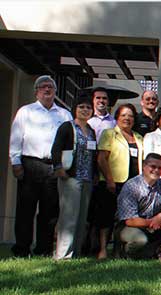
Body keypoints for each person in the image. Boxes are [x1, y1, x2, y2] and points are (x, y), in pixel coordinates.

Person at [9, 75, 72, 257]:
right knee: (25, 209)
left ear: (55, 91)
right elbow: (15, 139)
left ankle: (43, 249)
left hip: (53, 167)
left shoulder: (64, 114)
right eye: (43, 87)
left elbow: (68, 143)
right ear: (36, 91)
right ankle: (21, 249)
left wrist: (64, 167)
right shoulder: (25, 112)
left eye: (50, 87)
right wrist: (16, 163)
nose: (47, 90)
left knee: (50, 211)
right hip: (30, 164)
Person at [93, 103, 144, 259]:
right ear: (117, 118)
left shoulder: (139, 137)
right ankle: (102, 250)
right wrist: (109, 180)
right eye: (123, 115)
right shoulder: (109, 134)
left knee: (125, 219)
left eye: (130, 116)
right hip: (113, 183)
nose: (127, 118)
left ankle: (118, 251)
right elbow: (102, 158)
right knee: (106, 217)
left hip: (132, 185)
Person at [116, 153, 161, 260]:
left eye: (160, 167)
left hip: (153, 225)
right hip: (132, 227)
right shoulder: (131, 186)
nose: (156, 170)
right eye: (153, 167)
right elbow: (130, 220)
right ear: (144, 166)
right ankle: (126, 253)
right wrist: (155, 224)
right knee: (141, 240)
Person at [51, 96, 96, 259]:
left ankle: (75, 253)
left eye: (88, 107)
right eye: (81, 107)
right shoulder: (67, 127)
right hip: (70, 177)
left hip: (87, 179)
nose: (85, 110)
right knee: (68, 217)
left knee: (81, 218)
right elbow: (56, 148)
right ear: (75, 109)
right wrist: (58, 167)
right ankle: (63, 255)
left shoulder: (91, 131)